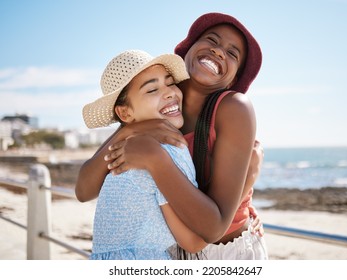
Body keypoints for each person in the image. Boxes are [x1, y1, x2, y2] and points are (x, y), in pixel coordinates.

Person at [76, 12, 268, 260]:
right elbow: (84, 190)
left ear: (234, 77)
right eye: (212, 39)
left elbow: (213, 228)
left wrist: (155, 159)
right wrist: (131, 130)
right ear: (187, 49)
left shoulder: (234, 107)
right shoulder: (160, 103)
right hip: (169, 250)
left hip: (225, 251)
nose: (220, 51)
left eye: (233, 54)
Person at [83, 50, 207, 260]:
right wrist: (244, 187)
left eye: (170, 83)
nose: (169, 93)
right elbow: (194, 241)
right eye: (152, 90)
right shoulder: (166, 151)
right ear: (125, 113)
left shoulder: (124, 149)